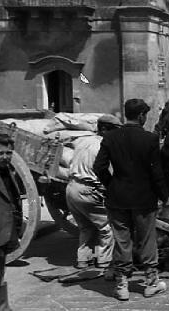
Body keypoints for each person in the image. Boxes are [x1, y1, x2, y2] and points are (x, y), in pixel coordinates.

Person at [93, 99, 169, 301]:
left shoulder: (110, 137)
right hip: (144, 199)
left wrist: (112, 185)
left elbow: (99, 167)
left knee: (122, 241)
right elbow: (157, 173)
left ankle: (122, 286)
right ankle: (151, 283)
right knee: (147, 241)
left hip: (117, 198)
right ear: (141, 116)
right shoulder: (150, 139)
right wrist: (165, 196)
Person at [66, 114, 122, 275]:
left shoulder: (83, 141)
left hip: (71, 188)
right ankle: (104, 261)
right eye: (113, 130)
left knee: (85, 227)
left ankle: (83, 259)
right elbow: (104, 171)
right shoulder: (102, 146)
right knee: (107, 227)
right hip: (88, 190)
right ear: (104, 129)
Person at [0, 134, 21, 311]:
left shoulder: (7, 171)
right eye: (0, 153)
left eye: (8, 153)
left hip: (5, 231)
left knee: (0, 274)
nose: (5, 157)